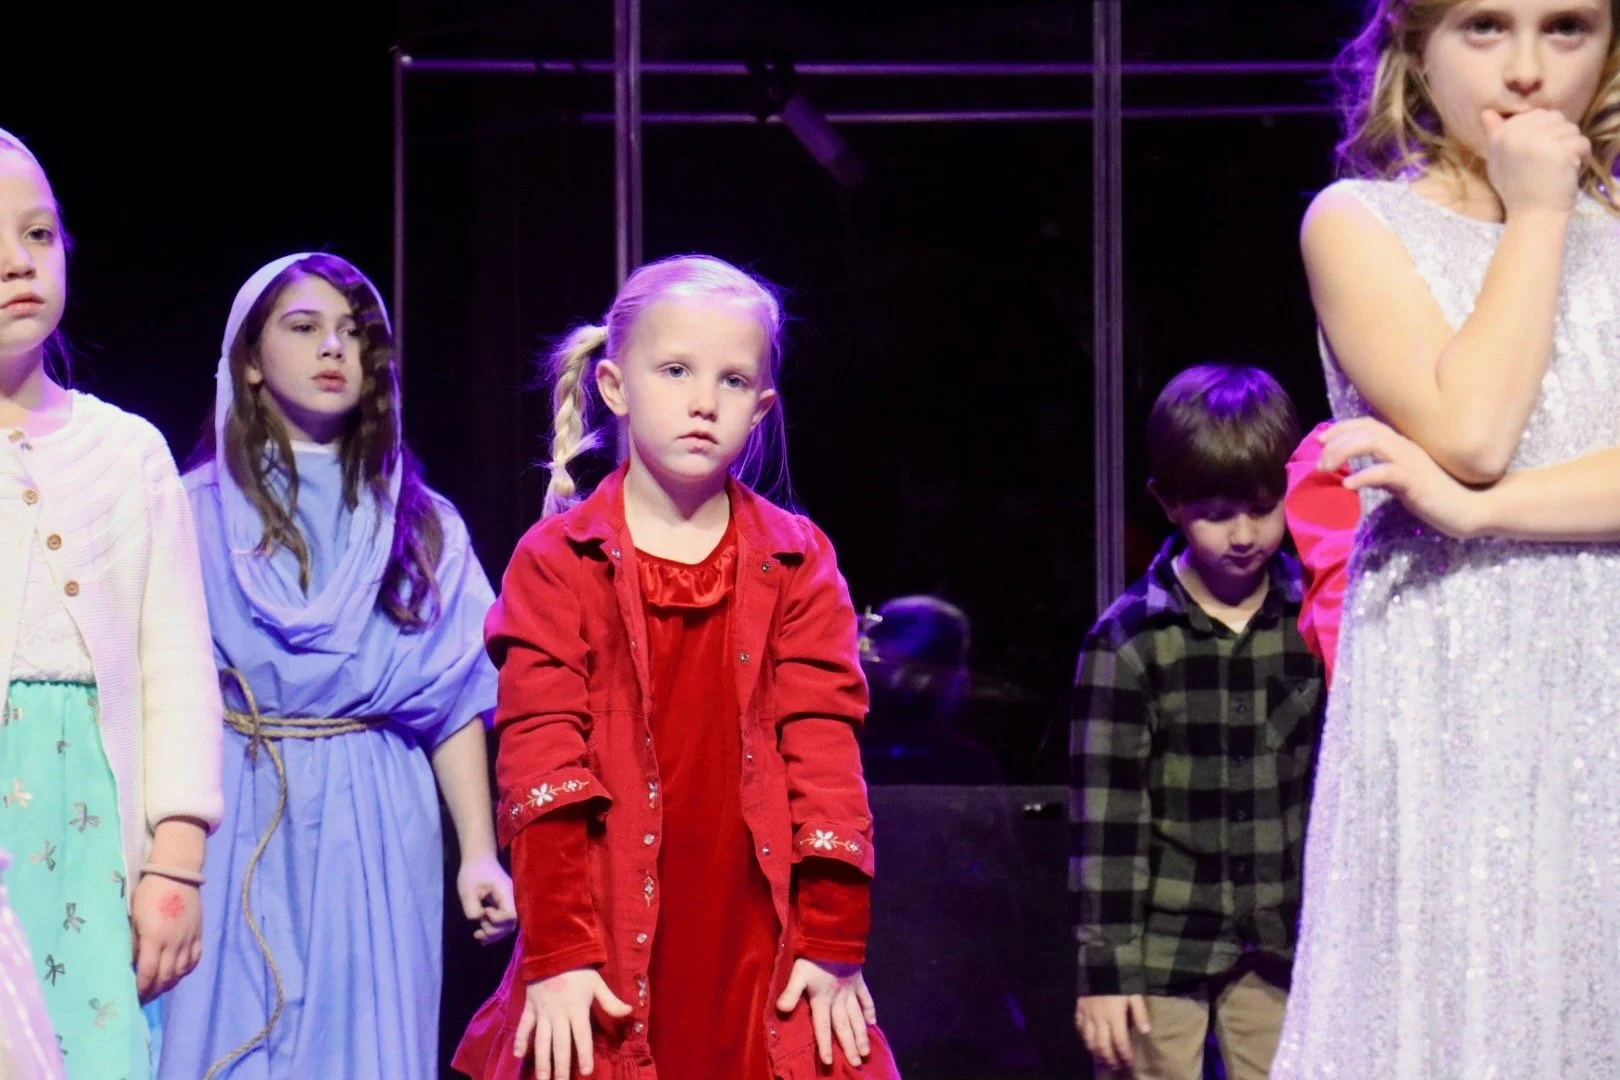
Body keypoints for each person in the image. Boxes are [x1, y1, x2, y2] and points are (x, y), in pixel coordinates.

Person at [1272, 2, 1620, 1075]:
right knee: (1454, 991)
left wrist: (1483, 512)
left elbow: (1469, 483)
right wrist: (1541, 213)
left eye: (1566, 28)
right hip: (1451, 670)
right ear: (1414, 50)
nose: (1525, 70)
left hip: (1603, 664)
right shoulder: (1358, 221)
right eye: (1482, 27)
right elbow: (1471, 428)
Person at [455, 254, 899, 1080]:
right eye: (676, 371)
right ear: (617, 388)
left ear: (762, 408)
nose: (704, 401)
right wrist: (556, 953)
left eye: (733, 382)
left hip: (754, 932)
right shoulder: (558, 559)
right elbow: (541, 762)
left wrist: (834, 937)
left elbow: (826, 754)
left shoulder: (798, 560)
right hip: (607, 927)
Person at [158, 253, 514, 1079]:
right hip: (233, 803)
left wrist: (479, 852)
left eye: (354, 333)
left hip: (375, 815)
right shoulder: (186, 512)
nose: (334, 350)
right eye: (305, 328)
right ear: (247, 360)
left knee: (364, 1042)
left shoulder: (421, 525)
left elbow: (453, 699)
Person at [0, 126, 222, 1078]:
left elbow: (175, 665)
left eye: (39, 235)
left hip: (85, 829)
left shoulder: (127, 453)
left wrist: (175, 858)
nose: (19, 263)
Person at [1072, 364, 1324, 1080]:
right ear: (1169, 504)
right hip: (1161, 945)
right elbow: (1107, 821)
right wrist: (1105, 972)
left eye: (1263, 507)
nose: (1244, 534)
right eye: (1216, 512)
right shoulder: (1127, 641)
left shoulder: (1315, 620)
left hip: (1283, 939)